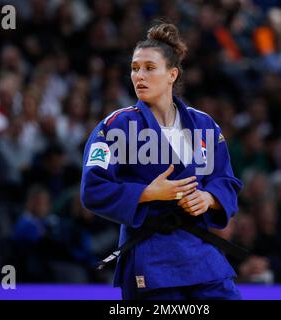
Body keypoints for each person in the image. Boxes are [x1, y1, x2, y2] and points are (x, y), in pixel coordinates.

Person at [80, 22, 244, 300]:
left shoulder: (204, 125)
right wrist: (146, 194)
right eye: (134, 68)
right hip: (151, 257)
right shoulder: (116, 126)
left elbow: (225, 180)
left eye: (149, 68)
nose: (139, 76)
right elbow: (93, 189)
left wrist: (209, 199)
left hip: (201, 254)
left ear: (172, 74)